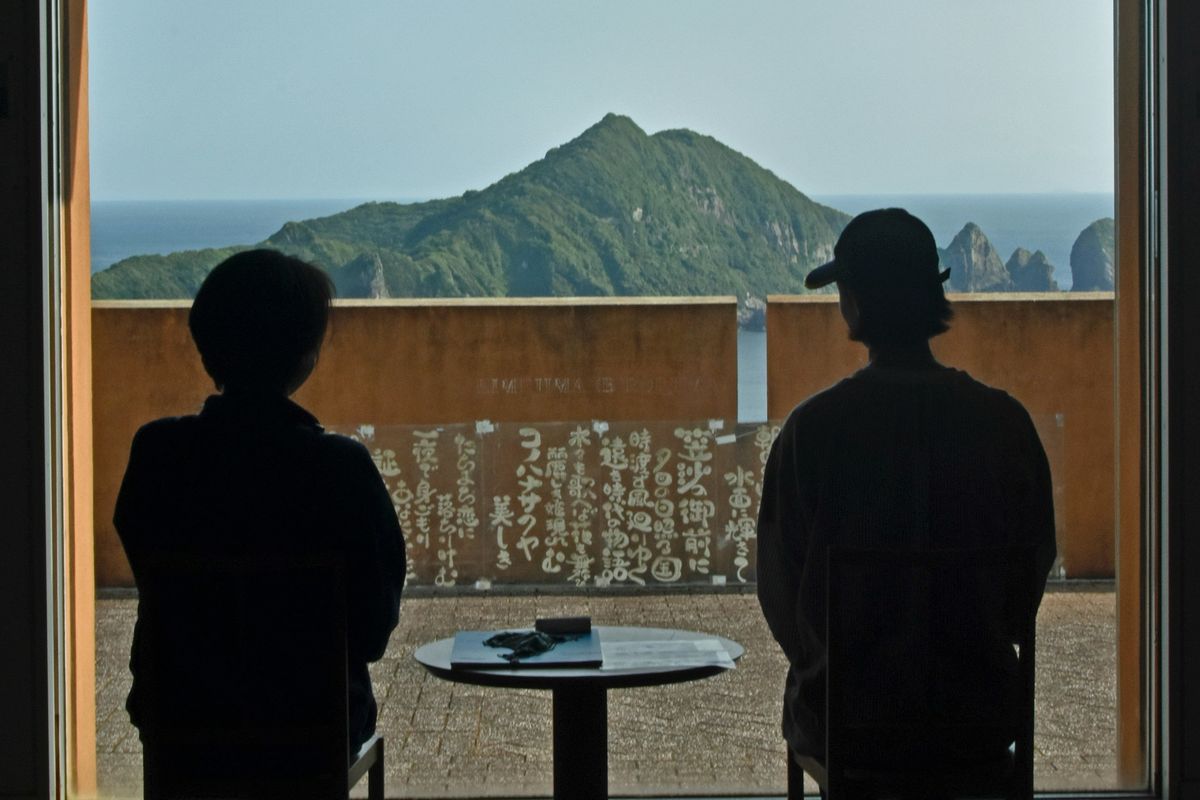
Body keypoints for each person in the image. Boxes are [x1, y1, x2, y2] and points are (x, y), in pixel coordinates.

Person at [756, 209, 1057, 773]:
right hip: (977, 723)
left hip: (848, 729)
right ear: (930, 295)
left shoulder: (813, 432)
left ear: (854, 303)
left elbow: (780, 589)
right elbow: (1028, 578)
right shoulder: (1004, 425)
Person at [114, 248, 406, 754]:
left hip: (182, 722)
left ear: (207, 351)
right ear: (306, 356)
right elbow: (372, 633)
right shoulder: (339, 468)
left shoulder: (158, 455)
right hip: (312, 727)